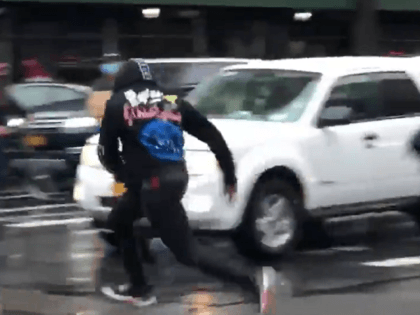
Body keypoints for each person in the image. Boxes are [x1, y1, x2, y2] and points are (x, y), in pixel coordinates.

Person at [98, 58, 276, 313]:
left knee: (187, 251)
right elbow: (210, 133)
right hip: (174, 178)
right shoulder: (171, 101)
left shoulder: (117, 104)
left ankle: (252, 280)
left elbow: (106, 153)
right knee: (120, 220)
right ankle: (139, 288)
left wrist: (121, 174)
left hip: (154, 185)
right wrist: (229, 174)